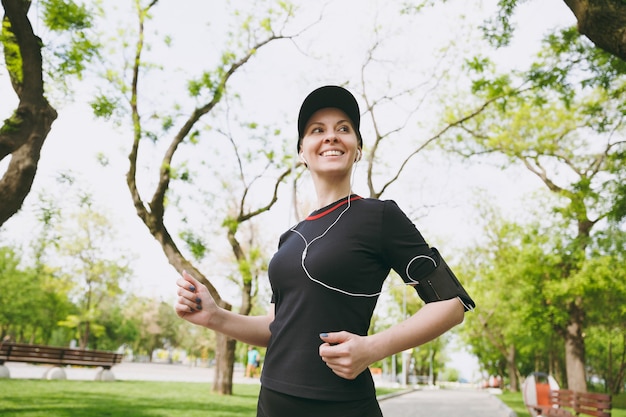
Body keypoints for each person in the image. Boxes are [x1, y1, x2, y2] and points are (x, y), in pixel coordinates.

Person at [175, 85, 475, 417]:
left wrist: (372, 348)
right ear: (302, 151)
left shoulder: (381, 217)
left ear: (357, 148)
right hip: (273, 401)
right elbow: (279, 327)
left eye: (343, 129)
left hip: (342, 405)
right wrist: (216, 317)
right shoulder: (289, 238)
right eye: (318, 130)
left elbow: (451, 305)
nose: (331, 137)